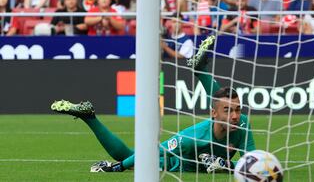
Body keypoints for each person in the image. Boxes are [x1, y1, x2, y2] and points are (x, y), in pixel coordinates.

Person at [50, 35, 256, 173]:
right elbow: (155, 150)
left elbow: (251, 164)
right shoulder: (190, 136)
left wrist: (226, 164)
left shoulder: (243, 124)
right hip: (170, 162)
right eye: (230, 111)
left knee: (130, 155)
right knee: (130, 157)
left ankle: (201, 70)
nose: (236, 116)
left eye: (238, 109)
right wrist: (117, 168)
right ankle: (90, 118)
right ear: (212, 114)